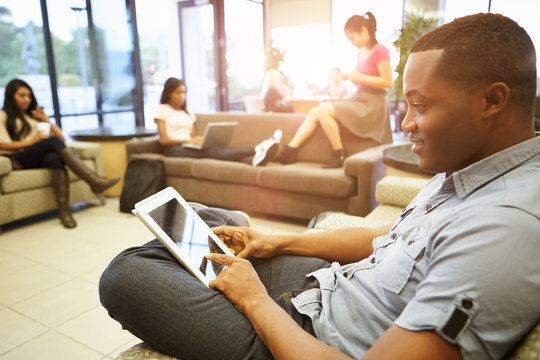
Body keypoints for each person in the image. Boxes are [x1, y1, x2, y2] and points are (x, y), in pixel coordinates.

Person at [99, 13, 540, 360]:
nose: (405, 124)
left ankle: (225, 234)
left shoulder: (504, 230)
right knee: (204, 217)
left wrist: (256, 302)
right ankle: (232, 225)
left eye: (419, 106)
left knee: (126, 275)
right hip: (328, 286)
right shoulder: (468, 170)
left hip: (307, 336)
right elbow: (392, 237)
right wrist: (279, 241)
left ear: (492, 101)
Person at [275, 12, 393, 168]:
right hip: (360, 97)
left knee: (322, 110)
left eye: (353, 38)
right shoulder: (360, 53)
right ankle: (290, 150)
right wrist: (345, 78)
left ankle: (336, 154)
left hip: (373, 104)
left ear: (364, 30)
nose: (353, 43)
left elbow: (387, 82)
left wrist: (357, 76)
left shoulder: (380, 50)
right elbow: (362, 83)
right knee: (316, 112)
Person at [0, 79, 119, 229]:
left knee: (54, 157)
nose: (26, 99)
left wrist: (46, 120)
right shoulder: (3, 115)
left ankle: (64, 212)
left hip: (37, 156)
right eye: (22, 95)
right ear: (11, 96)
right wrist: (32, 142)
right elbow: (2, 144)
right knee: (52, 142)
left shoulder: (32, 117)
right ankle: (94, 181)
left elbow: (62, 138)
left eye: (29, 96)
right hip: (17, 159)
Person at [155, 77, 282, 167]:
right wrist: (187, 141)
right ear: (169, 93)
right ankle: (257, 149)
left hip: (188, 146)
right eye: (178, 92)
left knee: (222, 147)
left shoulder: (187, 113)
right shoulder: (162, 110)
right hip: (173, 149)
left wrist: (198, 140)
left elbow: (192, 137)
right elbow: (164, 140)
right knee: (210, 152)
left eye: (184, 92)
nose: (182, 96)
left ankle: (251, 160)